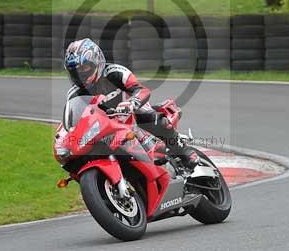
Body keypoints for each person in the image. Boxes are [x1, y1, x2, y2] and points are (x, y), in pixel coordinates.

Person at [63, 38, 198, 168]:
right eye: (74, 71)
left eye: (84, 67)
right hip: (105, 125)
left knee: (153, 118)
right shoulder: (73, 94)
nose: (80, 74)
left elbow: (141, 89)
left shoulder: (114, 72)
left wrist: (132, 102)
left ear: (97, 61)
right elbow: (71, 120)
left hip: (133, 112)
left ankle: (182, 149)